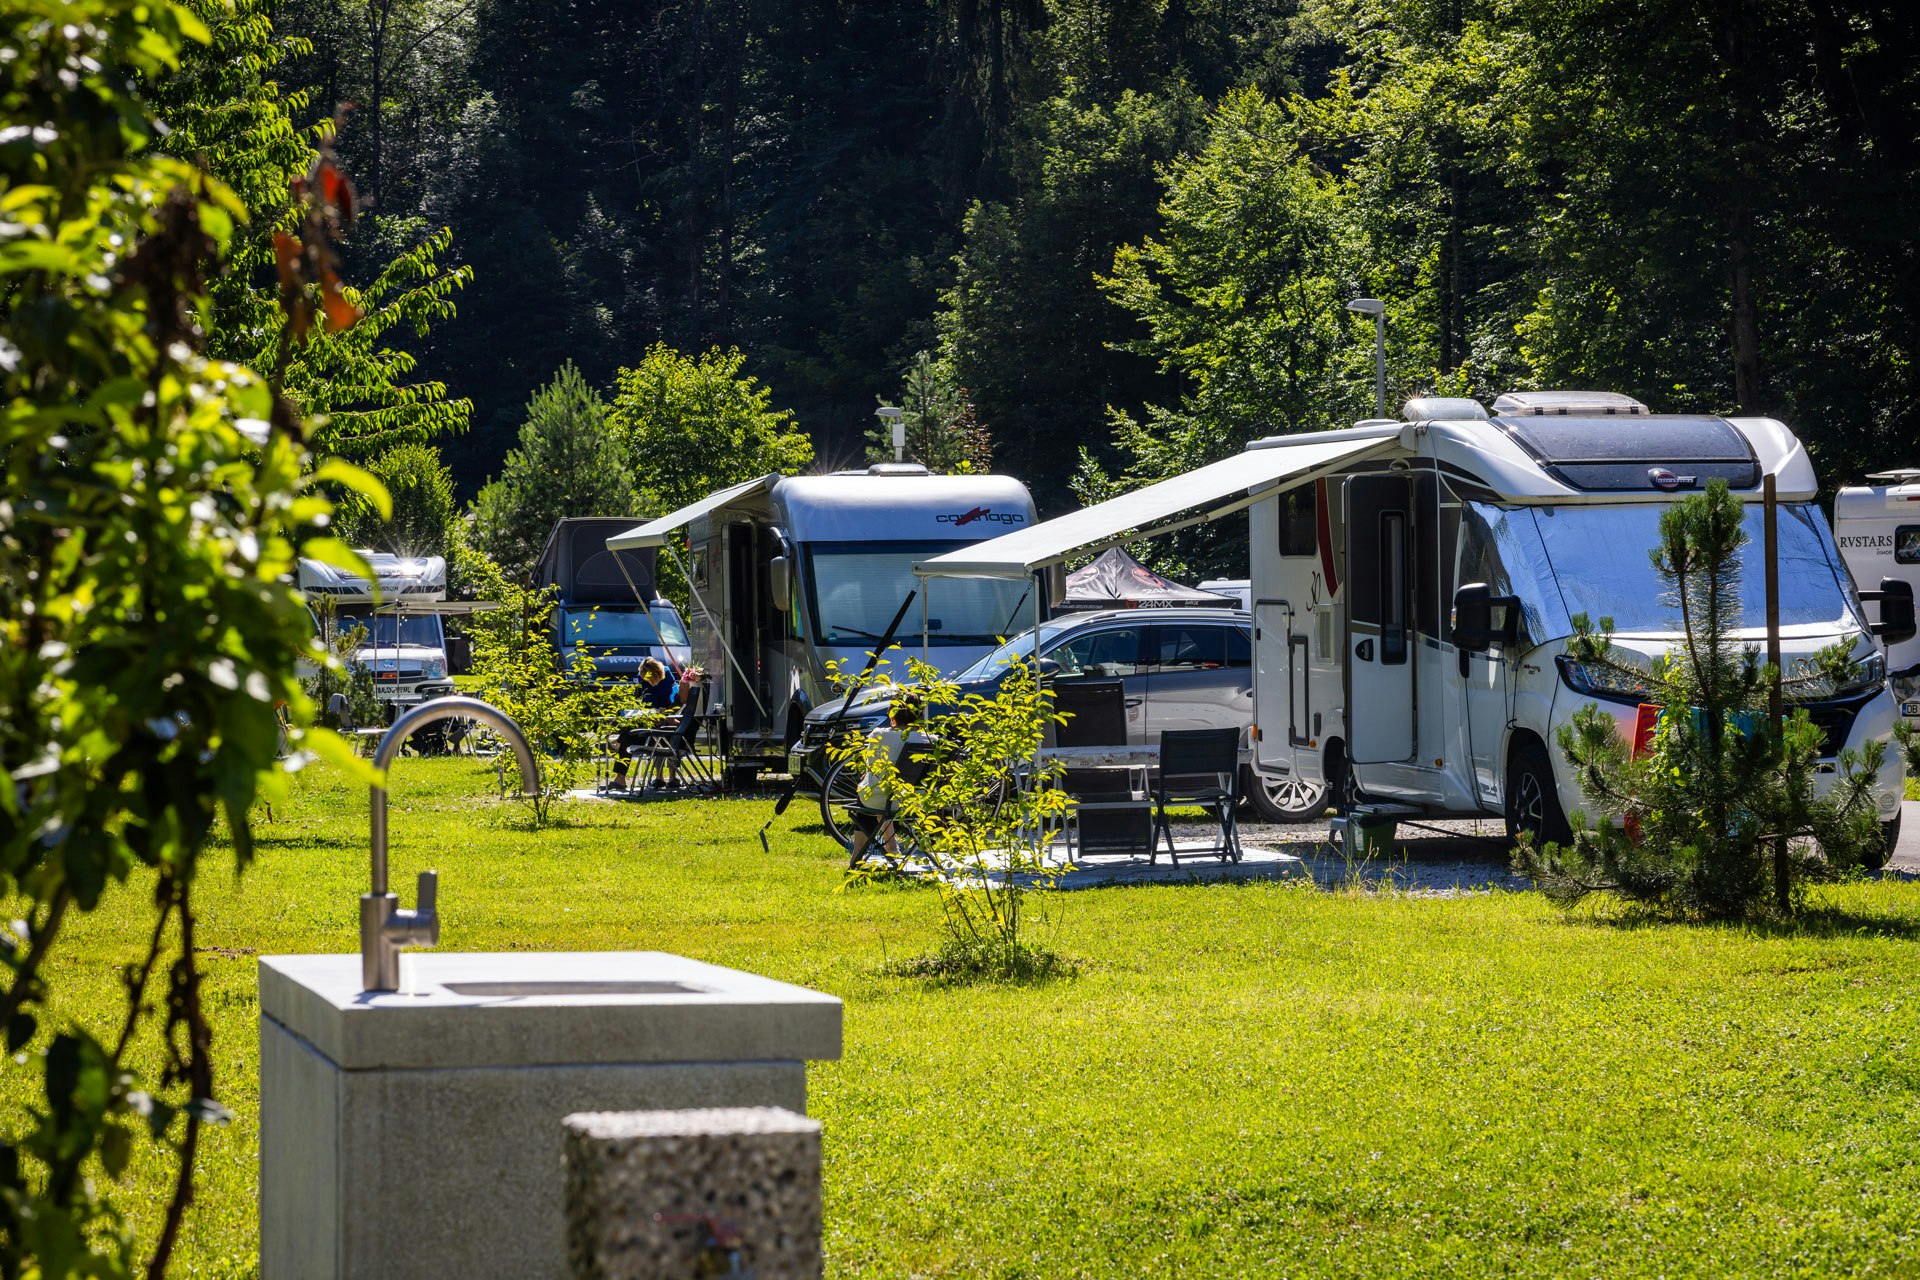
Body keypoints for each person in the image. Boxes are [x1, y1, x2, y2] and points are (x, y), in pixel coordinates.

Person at [847, 693, 929, 867]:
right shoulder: (930, 739)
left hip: (879, 799)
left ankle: (858, 856)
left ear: (892, 713)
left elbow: (871, 768)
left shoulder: (879, 735)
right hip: (914, 802)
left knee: (871, 794)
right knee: (885, 794)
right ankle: (891, 846)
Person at [610, 658, 682, 791]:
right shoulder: (642, 677)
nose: (649, 681)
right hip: (652, 717)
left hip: (667, 716)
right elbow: (648, 699)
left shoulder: (666, 675)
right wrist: (654, 712)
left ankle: (619, 741)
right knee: (628, 735)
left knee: (629, 734)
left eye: (650, 677)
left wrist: (665, 712)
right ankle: (620, 778)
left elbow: (672, 697)